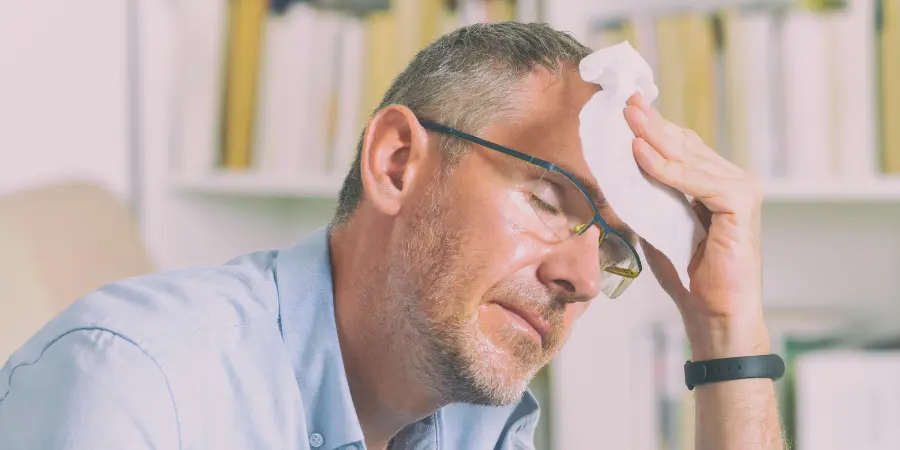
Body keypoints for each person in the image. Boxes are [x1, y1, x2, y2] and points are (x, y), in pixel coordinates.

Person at [0, 22, 782, 450]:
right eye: (549, 200)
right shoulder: (136, 386)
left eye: (613, 246)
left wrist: (726, 331)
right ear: (397, 161)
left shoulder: (475, 419)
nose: (581, 278)